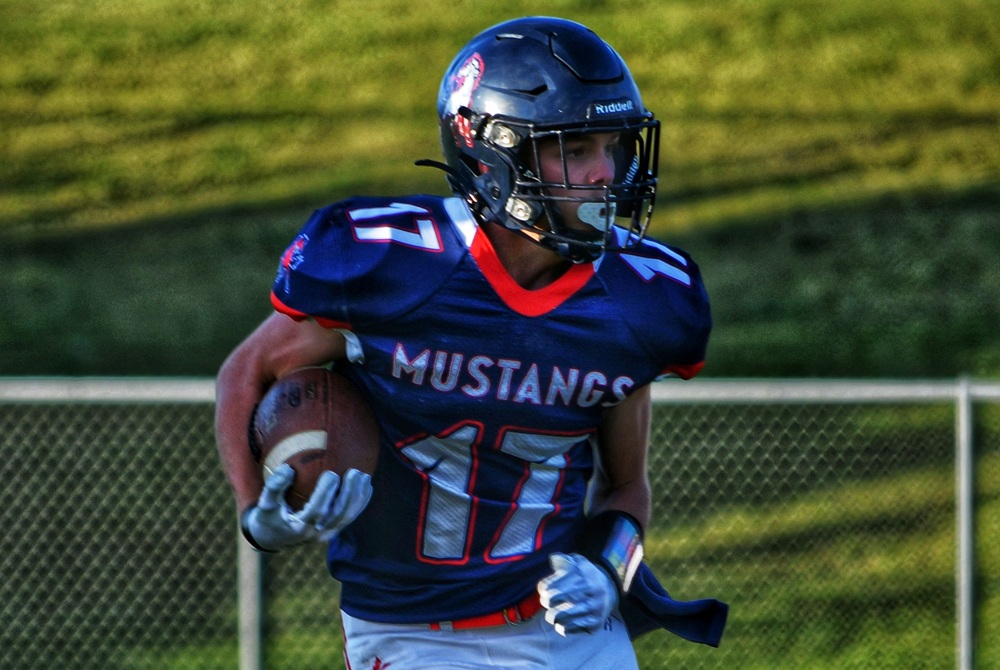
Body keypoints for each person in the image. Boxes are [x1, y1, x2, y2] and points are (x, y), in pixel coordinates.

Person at [216, 16, 726, 669]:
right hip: (408, 632)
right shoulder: (393, 263)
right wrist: (255, 510)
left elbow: (627, 490)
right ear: (493, 154)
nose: (605, 173)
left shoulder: (642, 297)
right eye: (574, 150)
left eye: (614, 146)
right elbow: (246, 372)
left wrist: (608, 571)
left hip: (567, 631)